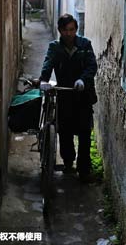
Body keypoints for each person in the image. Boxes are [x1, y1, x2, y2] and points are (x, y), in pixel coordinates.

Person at [39, 14, 98, 182]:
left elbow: (92, 66)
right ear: (60, 30)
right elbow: (48, 63)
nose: (68, 33)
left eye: (71, 30)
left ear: (76, 30)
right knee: (65, 131)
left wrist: (83, 80)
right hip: (64, 94)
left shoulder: (85, 45)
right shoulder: (55, 47)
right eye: (65, 30)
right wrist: (44, 80)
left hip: (83, 95)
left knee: (85, 132)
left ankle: (84, 169)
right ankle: (68, 161)